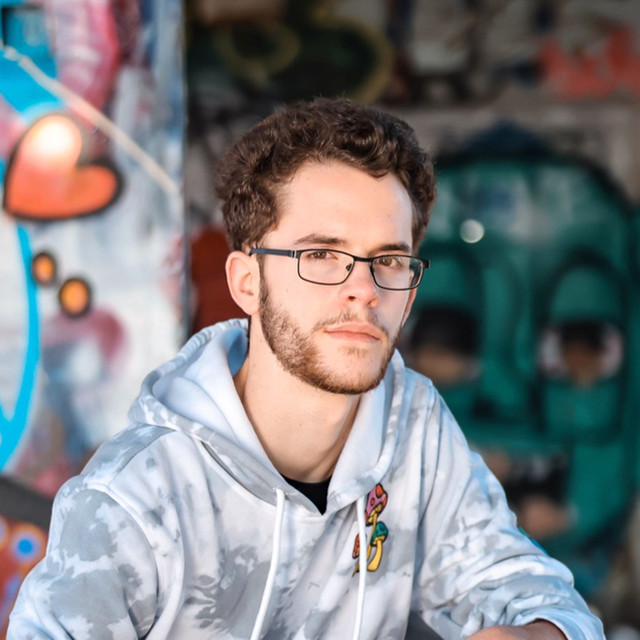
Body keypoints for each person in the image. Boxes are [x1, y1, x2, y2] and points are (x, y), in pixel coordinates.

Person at [8, 98, 603, 640]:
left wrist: (534, 635)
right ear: (247, 283)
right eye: (321, 254)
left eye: (388, 260)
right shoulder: (135, 498)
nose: (364, 289)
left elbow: (535, 594)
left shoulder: (412, 428)